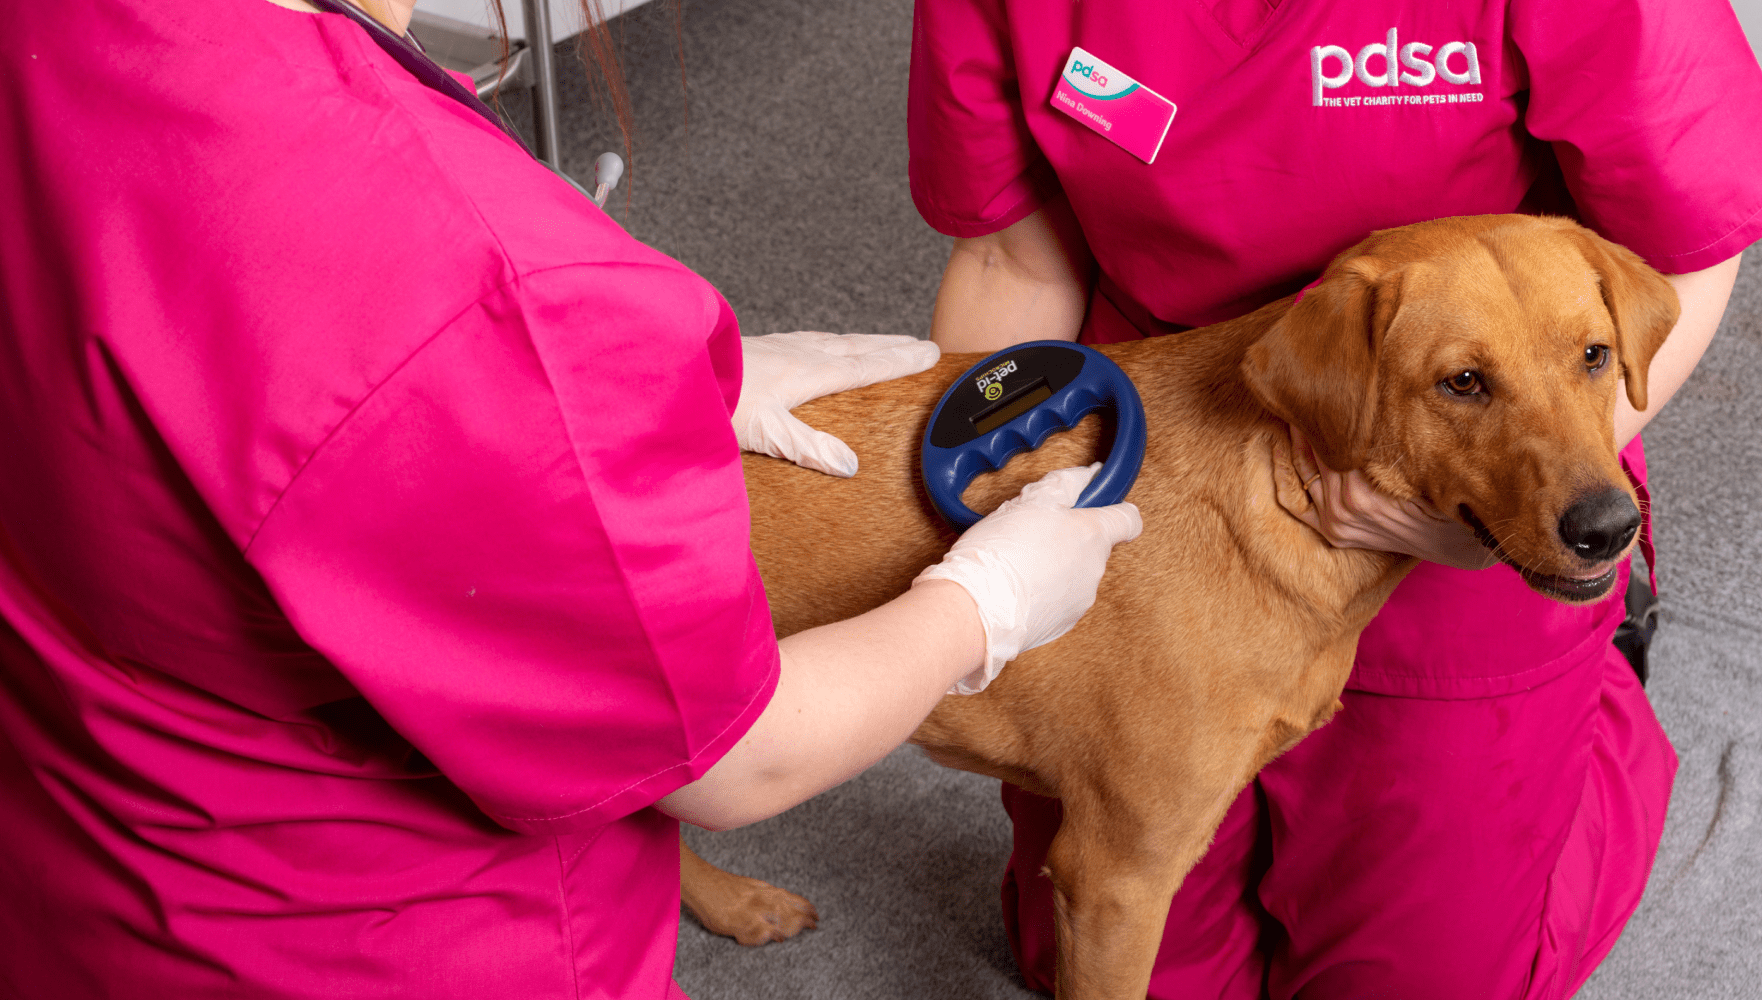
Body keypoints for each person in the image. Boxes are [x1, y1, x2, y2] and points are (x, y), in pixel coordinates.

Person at [0, 0, 1142, 997]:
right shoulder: (484, 284)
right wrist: (981, 606)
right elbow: (738, 757)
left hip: (96, 875)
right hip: (385, 943)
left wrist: (655, 388)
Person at [907, 0, 1762, 997]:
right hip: (1159, 441)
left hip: (1478, 460)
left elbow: (1687, 247)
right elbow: (1011, 261)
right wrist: (972, 532)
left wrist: (1467, 509)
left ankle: (1602, 707)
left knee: (1412, 977)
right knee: (1095, 940)